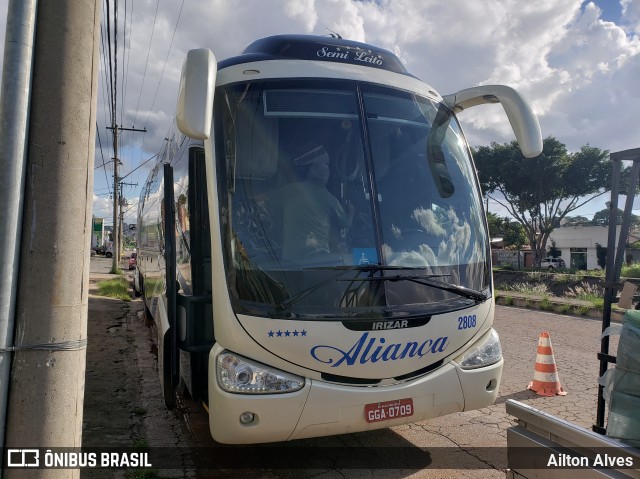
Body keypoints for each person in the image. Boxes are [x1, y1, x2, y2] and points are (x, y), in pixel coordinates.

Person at [268, 146, 354, 260]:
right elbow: (346, 223)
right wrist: (351, 210)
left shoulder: (290, 190)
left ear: (308, 174)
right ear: (326, 180)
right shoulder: (331, 200)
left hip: (290, 263)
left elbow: (263, 197)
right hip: (318, 261)